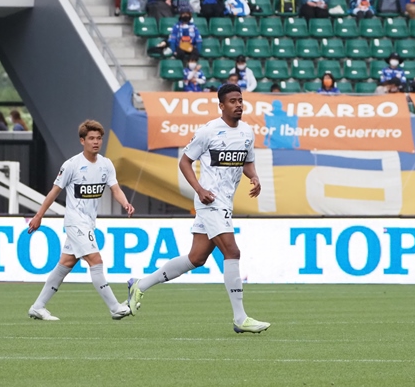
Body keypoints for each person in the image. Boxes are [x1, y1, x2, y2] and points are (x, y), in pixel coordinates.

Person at [126, 84, 270, 334]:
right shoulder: (208, 131)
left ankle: (140, 284)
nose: (238, 105)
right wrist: (200, 190)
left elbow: (247, 162)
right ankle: (240, 318)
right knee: (232, 251)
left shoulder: (247, 132)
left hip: (226, 202)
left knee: (196, 258)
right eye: (233, 101)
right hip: (210, 201)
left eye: (240, 100)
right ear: (221, 105)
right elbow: (185, 162)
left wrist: (254, 177)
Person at [27, 120, 136, 321]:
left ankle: (38, 306)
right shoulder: (71, 165)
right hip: (75, 222)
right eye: (91, 138)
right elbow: (54, 192)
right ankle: (115, 308)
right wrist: (38, 215)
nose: (96, 142)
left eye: (99, 138)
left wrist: (125, 203)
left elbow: (115, 189)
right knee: (96, 260)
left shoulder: (106, 164)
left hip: (88, 223)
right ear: (82, 141)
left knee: (65, 264)